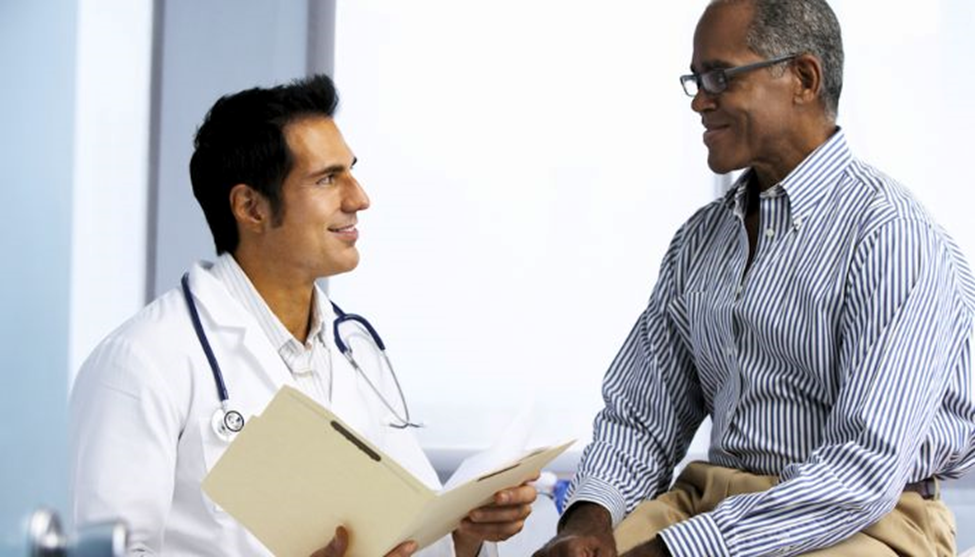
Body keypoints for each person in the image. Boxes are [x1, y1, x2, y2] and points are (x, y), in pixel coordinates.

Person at [534, 0, 975, 556]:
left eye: (719, 76)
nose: (698, 99)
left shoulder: (891, 238)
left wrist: (675, 551)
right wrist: (588, 520)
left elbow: (863, 472)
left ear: (804, 79)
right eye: (695, 79)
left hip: (866, 519)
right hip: (710, 502)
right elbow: (641, 418)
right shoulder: (700, 241)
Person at [69, 75, 535, 557]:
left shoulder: (354, 347)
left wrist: (467, 533)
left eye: (351, 172)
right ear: (250, 206)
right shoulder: (142, 362)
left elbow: (411, 531)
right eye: (328, 178)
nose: (359, 198)